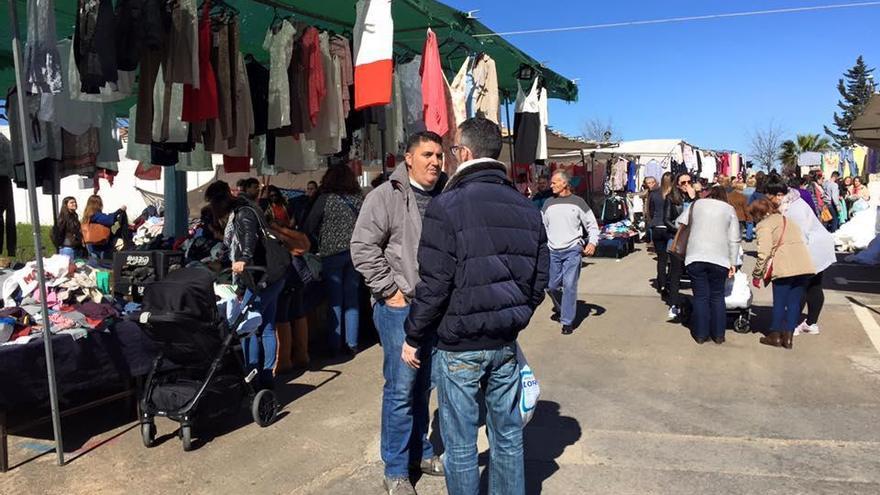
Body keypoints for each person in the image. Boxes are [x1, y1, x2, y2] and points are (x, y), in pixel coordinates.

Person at [402, 117, 549, 495]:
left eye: (451, 151)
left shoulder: (446, 205)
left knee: (462, 444)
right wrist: (516, 315)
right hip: (504, 343)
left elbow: (434, 284)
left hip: (459, 345)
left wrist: (413, 335)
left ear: (463, 153)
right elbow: (539, 279)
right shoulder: (527, 207)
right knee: (508, 438)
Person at [350, 131, 448, 494]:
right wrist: (389, 290)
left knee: (426, 385)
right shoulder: (385, 196)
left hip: (435, 308)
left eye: (439, 155)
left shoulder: (445, 194)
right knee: (401, 388)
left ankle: (419, 451)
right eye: (427, 154)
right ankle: (395, 468)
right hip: (399, 308)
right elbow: (361, 247)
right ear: (408, 157)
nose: (435, 162)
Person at [205, 180, 286, 390]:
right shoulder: (247, 207)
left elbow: (248, 238)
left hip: (261, 275)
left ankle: (252, 376)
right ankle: (267, 376)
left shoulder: (243, 213)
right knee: (266, 325)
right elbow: (234, 242)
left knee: (247, 327)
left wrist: (244, 259)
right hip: (273, 272)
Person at [304, 165, 364, 356]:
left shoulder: (324, 199)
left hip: (331, 253)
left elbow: (308, 225)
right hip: (355, 253)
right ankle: (352, 343)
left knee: (335, 300)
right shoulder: (358, 199)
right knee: (352, 299)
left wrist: (320, 236)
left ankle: (334, 345)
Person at [765, 179, 836, 336]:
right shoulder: (792, 202)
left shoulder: (793, 209)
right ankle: (811, 323)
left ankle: (794, 324)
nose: (769, 202)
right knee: (814, 286)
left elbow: (800, 236)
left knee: (800, 286)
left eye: (770, 198)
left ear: (779, 195)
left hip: (811, 247)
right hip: (818, 245)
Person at [748, 198, 815, 349]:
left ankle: (775, 335)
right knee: (793, 303)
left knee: (779, 302)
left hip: (784, 265)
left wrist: (757, 274)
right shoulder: (788, 220)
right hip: (803, 263)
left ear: (759, 213)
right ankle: (789, 337)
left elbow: (763, 252)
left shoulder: (764, 225)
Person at [678, 186, 740, 344]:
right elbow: (734, 239)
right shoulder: (729, 210)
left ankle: (700, 334)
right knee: (717, 296)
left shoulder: (696, 204)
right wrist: (733, 262)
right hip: (720, 258)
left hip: (695, 255)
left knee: (700, 297)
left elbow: (681, 222)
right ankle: (718, 335)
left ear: (710, 194)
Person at [542, 170, 599, 334]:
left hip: (572, 250)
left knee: (569, 285)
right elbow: (542, 226)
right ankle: (562, 308)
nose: (551, 185)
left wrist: (592, 243)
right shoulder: (547, 203)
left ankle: (567, 321)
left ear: (565, 183)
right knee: (551, 286)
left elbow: (592, 225)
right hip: (553, 251)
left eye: (554, 182)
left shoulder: (578, 202)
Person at [662, 172, 697, 321]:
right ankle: (674, 304)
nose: (687, 185)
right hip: (676, 239)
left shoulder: (698, 199)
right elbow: (667, 219)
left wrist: (694, 197)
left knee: (695, 273)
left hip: (694, 241)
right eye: (683, 183)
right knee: (676, 273)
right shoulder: (671, 199)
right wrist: (680, 231)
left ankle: (698, 304)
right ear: (677, 184)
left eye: (689, 181)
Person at [80, 195, 127, 260]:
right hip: (100, 248)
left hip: (92, 245)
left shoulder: (87, 216)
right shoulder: (95, 215)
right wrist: (119, 211)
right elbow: (108, 220)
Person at [647, 172, 672, 294]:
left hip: (656, 226)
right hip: (669, 228)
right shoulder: (673, 194)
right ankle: (670, 282)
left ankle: (661, 283)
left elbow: (650, 210)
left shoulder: (654, 193)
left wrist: (652, 222)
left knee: (661, 258)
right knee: (672, 258)